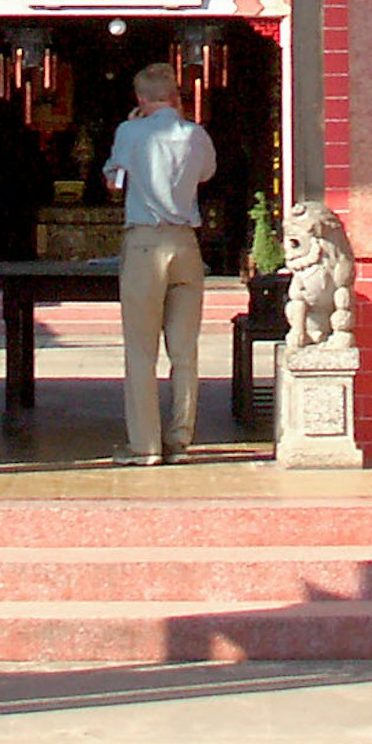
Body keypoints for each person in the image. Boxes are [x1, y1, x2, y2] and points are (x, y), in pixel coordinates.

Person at [103, 62, 217, 463]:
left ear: (140, 98)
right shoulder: (195, 134)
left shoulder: (129, 131)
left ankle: (145, 444)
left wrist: (131, 136)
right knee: (185, 350)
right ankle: (181, 437)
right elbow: (206, 175)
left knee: (141, 350)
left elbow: (114, 182)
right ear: (175, 96)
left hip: (146, 243)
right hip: (186, 243)